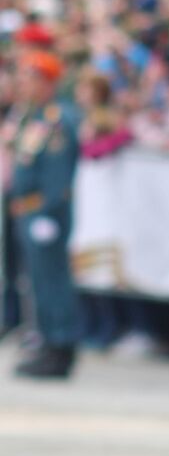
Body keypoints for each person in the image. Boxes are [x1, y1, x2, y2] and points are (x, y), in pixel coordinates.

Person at [5, 51, 82, 379]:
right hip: (28, 209)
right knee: (38, 282)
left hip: (44, 212)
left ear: (46, 81)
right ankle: (48, 339)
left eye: (30, 78)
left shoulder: (55, 118)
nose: (23, 85)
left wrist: (49, 211)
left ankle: (60, 344)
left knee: (53, 282)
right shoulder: (32, 115)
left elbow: (56, 171)